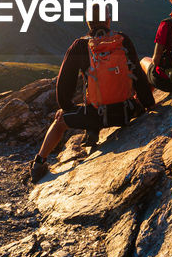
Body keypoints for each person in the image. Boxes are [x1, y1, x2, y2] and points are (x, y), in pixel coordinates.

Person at [29, 15, 156, 183]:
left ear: (88, 22)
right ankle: (93, 129)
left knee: (60, 122)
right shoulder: (122, 40)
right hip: (128, 111)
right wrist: (147, 104)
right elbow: (138, 75)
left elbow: (64, 86)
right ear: (108, 21)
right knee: (144, 64)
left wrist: (67, 108)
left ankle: (39, 164)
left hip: (94, 116)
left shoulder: (80, 45)